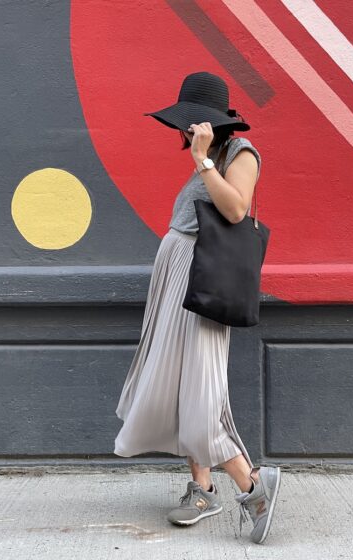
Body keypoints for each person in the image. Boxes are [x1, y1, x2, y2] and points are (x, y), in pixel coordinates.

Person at [113, 71, 281, 544]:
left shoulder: (240, 153)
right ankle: (203, 489)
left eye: (191, 124)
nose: (185, 132)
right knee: (181, 384)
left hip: (202, 278)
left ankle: (254, 486)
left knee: (203, 389)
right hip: (178, 276)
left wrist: (204, 161)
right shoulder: (209, 156)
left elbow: (236, 209)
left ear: (210, 122)